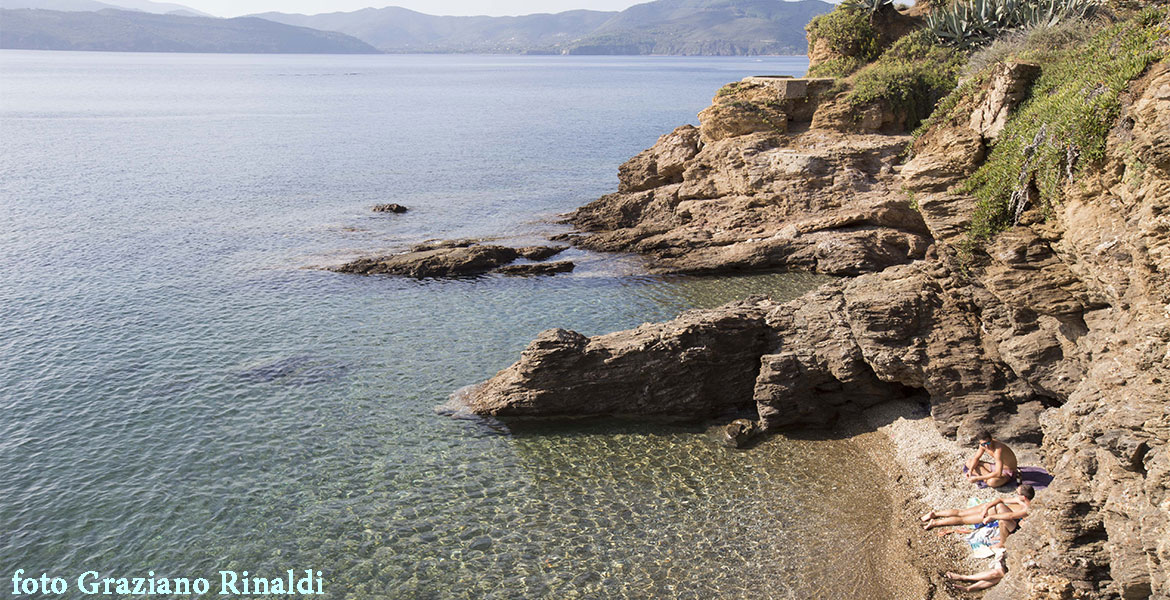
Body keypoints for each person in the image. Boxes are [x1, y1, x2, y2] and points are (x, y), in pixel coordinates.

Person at [920, 484, 1035, 534]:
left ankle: (935, 514)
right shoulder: (1023, 504)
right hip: (990, 510)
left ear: (1023, 497)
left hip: (990, 509)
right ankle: (935, 522)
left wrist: (988, 507)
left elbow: (1007, 510)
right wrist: (988, 510)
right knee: (962, 519)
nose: (1016, 494)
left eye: (1018, 493)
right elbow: (1007, 512)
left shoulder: (1024, 506)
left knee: (961, 513)